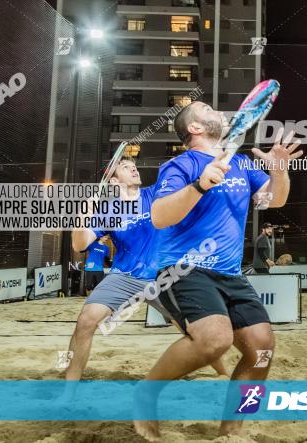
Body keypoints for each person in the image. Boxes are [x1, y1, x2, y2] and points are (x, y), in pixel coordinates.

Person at [134, 101, 301, 441]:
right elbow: (160, 216)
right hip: (184, 268)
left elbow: (275, 200)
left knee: (262, 348)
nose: (220, 112)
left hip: (229, 272)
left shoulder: (240, 163)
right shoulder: (180, 165)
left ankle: (232, 431)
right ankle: (145, 395)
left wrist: (280, 171)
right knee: (215, 340)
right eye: (207, 109)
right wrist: (199, 185)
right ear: (194, 128)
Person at [64, 158, 225, 385]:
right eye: (126, 167)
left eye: (134, 166)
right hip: (123, 276)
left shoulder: (155, 195)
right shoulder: (108, 211)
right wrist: (82, 216)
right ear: (114, 180)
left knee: (193, 330)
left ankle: (222, 373)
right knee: (86, 321)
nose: (134, 169)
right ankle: (68, 391)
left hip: (162, 276)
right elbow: (79, 245)